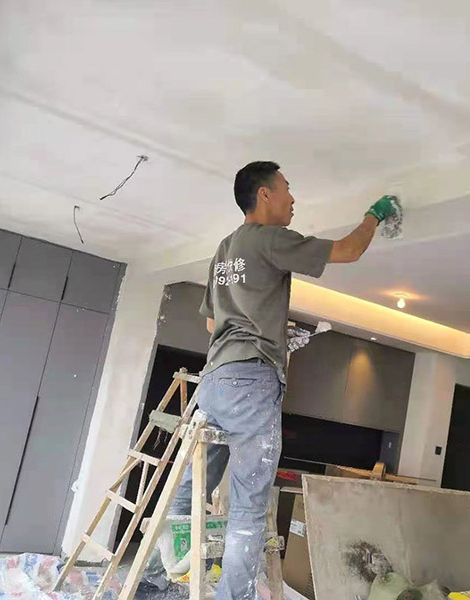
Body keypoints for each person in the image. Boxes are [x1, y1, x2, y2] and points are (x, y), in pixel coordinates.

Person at [146, 161, 397, 599]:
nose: (292, 198)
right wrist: (375, 214)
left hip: (215, 378)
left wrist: (264, 329)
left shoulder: (224, 249)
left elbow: (213, 326)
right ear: (264, 194)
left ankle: (153, 581)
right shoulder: (269, 238)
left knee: (190, 489)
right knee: (248, 507)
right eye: (287, 188)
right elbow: (348, 251)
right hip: (251, 382)